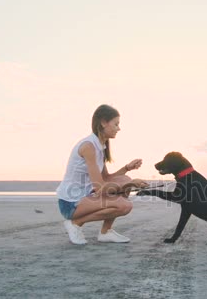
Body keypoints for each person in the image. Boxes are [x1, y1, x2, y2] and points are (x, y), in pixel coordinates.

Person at [56, 104, 148, 245]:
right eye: (116, 124)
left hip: (85, 197)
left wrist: (127, 168)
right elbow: (100, 188)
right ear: (104, 122)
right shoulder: (89, 147)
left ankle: (105, 232)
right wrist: (131, 184)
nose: (119, 128)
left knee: (124, 178)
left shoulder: (100, 146)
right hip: (70, 203)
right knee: (125, 205)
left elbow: (105, 178)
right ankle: (75, 223)